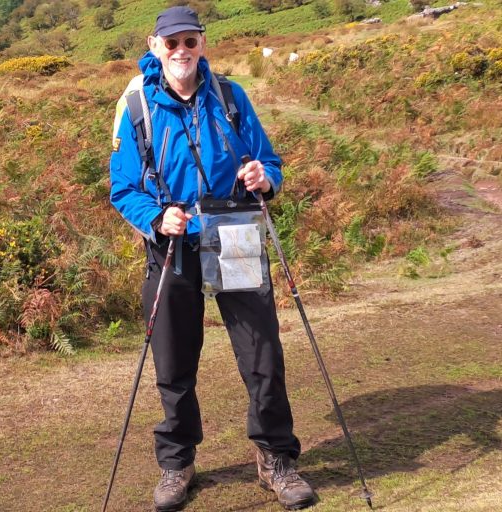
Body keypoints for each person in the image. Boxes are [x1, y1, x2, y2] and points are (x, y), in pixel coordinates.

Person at [109, 6, 315, 511]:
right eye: (172, 43)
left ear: (203, 44)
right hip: (172, 245)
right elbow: (123, 188)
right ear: (155, 45)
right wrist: (158, 219)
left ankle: (276, 461)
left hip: (235, 236)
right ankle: (177, 464)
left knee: (262, 354)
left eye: (190, 42)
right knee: (173, 361)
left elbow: (269, 160)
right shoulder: (136, 104)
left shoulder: (230, 96)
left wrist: (265, 178)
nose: (182, 51)